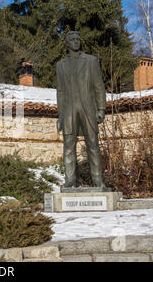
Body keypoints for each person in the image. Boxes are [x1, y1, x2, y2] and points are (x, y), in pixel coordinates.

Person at [56, 31, 107, 189]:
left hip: (88, 109)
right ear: (67, 43)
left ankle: (98, 180)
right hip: (69, 111)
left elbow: (99, 86)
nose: (76, 41)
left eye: (78, 39)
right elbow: (61, 92)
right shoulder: (60, 65)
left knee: (93, 145)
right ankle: (70, 180)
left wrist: (101, 109)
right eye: (72, 39)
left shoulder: (91, 61)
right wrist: (60, 116)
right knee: (68, 146)